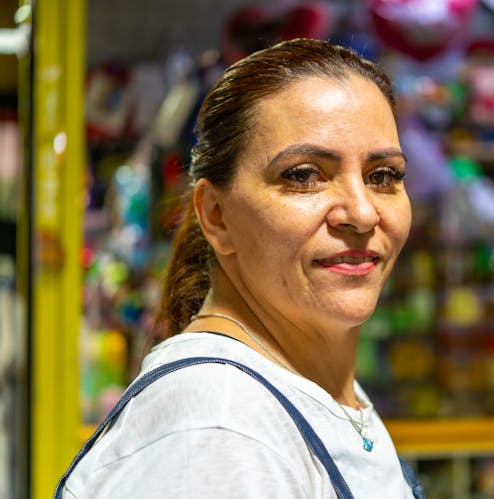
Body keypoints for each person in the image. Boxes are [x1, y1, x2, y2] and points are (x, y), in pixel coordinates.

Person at [57, 38, 421, 498]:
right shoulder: (219, 428)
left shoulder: (310, 388)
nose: (363, 213)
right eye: (305, 174)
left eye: (383, 175)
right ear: (216, 215)